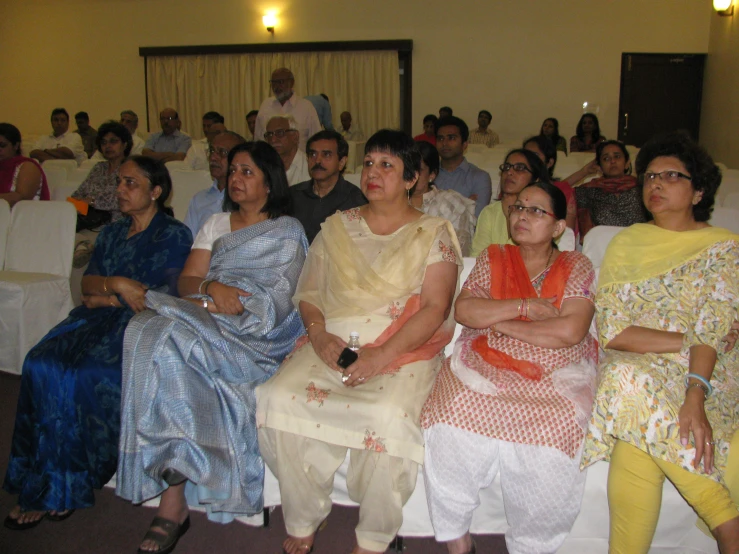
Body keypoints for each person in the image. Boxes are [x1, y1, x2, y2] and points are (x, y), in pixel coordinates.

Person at [256, 129, 462, 554]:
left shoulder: (434, 232)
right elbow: (309, 294)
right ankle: (305, 512)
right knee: (277, 396)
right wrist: (318, 337)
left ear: (411, 179)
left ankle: (373, 534)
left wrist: (382, 354)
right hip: (332, 342)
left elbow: (434, 309)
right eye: (369, 163)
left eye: (388, 165)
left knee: (389, 413)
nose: (374, 172)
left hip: (402, 347)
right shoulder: (337, 227)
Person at [117, 141, 307, 554]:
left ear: (270, 182)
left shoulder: (288, 230)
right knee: (146, 332)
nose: (234, 179)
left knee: (167, 343)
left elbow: (277, 301)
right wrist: (212, 289)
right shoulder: (215, 223)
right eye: (233, 171)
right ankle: (175, 486)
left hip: (257, 336)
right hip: (206, 313)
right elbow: (188, 282)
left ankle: (172, 504)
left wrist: (236, 305)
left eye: (247, 172)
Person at [3, 156, 192, 531]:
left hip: (141, 325)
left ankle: (72, 480)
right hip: (94, 319)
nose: (119, 191)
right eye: (119, 182)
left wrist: (105, 292)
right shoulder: (109, 233)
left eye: (130, 184)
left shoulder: (173, 234)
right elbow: (86, 288)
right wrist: (116, 286)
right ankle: (47, 478)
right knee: (40, 362)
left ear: (156, 192)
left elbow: (159, 297)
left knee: (87, 372)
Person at [581, 133, 739, 553]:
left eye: (672, 175)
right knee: (627, 379)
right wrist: (691, 338)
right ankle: (726, 520)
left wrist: (695, 395)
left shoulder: (722, 247)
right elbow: (615, 329)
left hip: (707, 371)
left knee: (633, 425)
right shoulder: (626, 242)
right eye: (650, 175)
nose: (656, 183)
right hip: (639, 362)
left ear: (699, 190)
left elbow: (717, 326)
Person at [422, 181, 597, 554]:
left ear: (558, 227)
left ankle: (531, 545)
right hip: (486, 359)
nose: (522, 215)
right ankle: (458, 540)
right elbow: (466, 311)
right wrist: (526, 308)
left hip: (555, 370)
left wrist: (499, 321)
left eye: (536, 211)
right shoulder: (493, 257)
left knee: (557, 426)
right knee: (450, 414)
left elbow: (570, 330)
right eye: (518, 207)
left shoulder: (576, 265)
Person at [289, 129, 367, 243]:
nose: (317, 160)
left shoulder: (356, 201)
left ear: (341, 162)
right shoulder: (292, 196)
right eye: (313, 154)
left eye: (326, 155)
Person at [470, 149, 549, 257]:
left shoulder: (542, 214)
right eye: (506, 167)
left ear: (535, 179)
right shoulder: (490, 212)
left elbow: (532, 258)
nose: (509, 172)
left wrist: (510, 217)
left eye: (520, 168)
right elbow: (477, 258)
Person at [410, 141, 476, 256]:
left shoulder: (452, 205)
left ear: (432, 174)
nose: (411, 174)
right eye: (408, 168)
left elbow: (459, 252)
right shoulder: (392, 203)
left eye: (419, 170)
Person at [573, 140, 647, 239]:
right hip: (602, 248)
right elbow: (555, 192)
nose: (612, 161)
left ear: (627, 163)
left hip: (640, 245)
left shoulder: (643, 188)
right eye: (606, 158)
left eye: (617, 156)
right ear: (600, 167)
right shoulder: (587, 191)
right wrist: (583, 171)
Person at [183, 131, 246, 237]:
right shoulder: (199, 200)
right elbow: (187, 242)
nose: (213, 158)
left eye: (222, 152)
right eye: (212, 151)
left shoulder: (247, 198)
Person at [71, 121, 133, 225]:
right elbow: (75, 198)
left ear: (125, 144)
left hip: (119, 225)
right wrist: (85, 205)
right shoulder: (98, 168)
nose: (108, 146)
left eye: (113, 141)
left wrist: (92, 202)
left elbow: (127, 201)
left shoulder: (132, 168)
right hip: (89, 224)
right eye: (104, 142)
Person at [434, 116, 493, 218]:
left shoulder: (480, 177)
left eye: (451, 138)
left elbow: (474, 219)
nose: (444, 143)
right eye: (440, 138)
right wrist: (463, 206)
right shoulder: (428, 175)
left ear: (464, 145)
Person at [254, 68, 321, 152]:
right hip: (271, 163)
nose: (276, 86)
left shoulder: (306, 107)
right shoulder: (265, 105)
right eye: (273, 83)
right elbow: (258, 140)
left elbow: (317, 140)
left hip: (300, 164)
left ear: (292, 82)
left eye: (281, 82)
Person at [523, 135, 577, 232]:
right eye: (525, 155)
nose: (528, 160)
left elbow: (567, 234)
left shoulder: (563, 191)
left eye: (534, 155)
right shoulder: (516, 186)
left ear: (549, 163)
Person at [0, 123, 49, 207]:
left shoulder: (28, 166)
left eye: (2, 145)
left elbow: (19, 199)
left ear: (16, 145)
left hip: (26, 217)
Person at [265, 115, 310, 185]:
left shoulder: (309, 166)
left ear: (295, 136)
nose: (273, 140)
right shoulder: (264, 168)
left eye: (280, 133)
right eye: (269, 134)